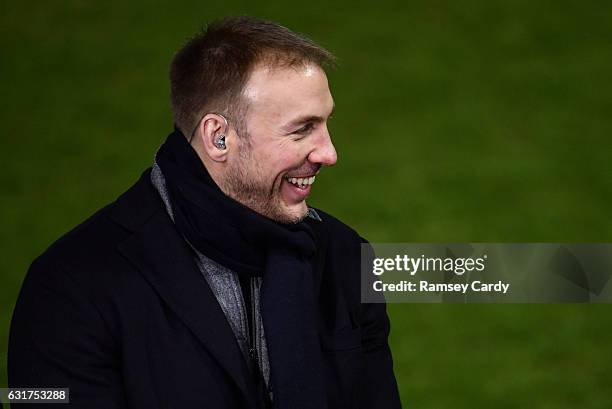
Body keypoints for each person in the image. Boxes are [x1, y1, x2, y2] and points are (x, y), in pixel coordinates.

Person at [9, 16, 401, 409]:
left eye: (326, 124)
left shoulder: (348, 257)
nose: (329, 153)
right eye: (302, 130)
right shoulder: (68, 287)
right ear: (219, 137)